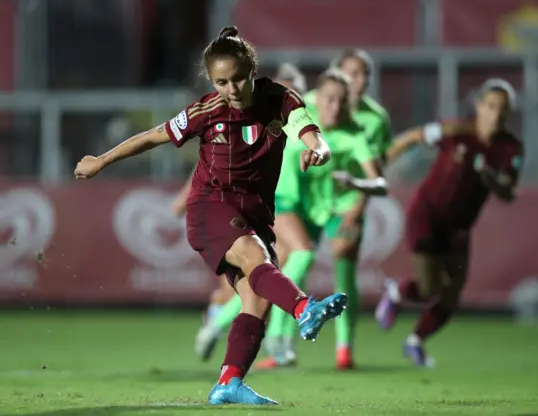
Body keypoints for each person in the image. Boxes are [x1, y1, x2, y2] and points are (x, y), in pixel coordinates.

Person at [74, 26, 347, 406]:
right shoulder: (205, 111)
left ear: (252, 70)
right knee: (256, 259)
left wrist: (318, 148)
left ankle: (229, 383)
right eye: (221, 82)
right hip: (210, 207)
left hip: (255, 214)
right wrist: (101, 161)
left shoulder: (280, 99)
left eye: (238, 79)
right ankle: (304, 308)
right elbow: (153, 136)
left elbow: (308, 130)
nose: (232, 90)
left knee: (256, 300)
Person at [190, 68, 388, 370]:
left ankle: (220, 327)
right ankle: (283, 335)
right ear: (318, 97)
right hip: (278, 200)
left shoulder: (354, 134)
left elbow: (379, 181)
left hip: (314, 210)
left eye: (341, 101)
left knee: (271, 278)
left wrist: (353, 186)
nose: (333, 106)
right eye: (328, 99)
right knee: (302, 254)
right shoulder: (295, 104)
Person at [374, 79, 524, 368]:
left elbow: (508, 192)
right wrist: (382, 163)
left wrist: (495, 182)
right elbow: (415, 136)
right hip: (427, 215)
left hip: (459, 227)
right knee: (430, 288)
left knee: (452, 296)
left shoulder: (510, 149)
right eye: (491, 106)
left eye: (503, 109)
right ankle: (395, 292)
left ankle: (415, 341)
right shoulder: (457, 131)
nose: (496, 114)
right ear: (479, 107)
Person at [177, 62, 309, 361]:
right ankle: (285, 330)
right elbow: (214, 162)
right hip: (272, 204)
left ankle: (220, 333)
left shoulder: (298, 116)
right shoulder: (250, 115)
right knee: (290, 259)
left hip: (286, 208)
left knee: (260, 284)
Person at [302, 48, 393, 368]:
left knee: (344, 266)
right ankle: (280, 347)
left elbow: (379, 170)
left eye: (366, 74)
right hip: (306, 200)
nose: (361, 80)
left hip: (346, 203)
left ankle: (344, 347)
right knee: (293, 265)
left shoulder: (375, 119)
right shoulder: (309, 102)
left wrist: (359, 203)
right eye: (354, 72)